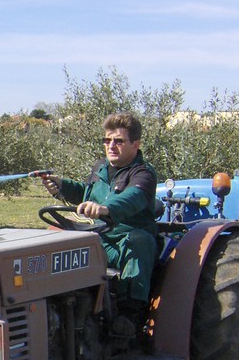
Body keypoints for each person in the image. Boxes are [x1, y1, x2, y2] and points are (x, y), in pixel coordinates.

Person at [41, 112, 158, 338]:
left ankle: (130, 316)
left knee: (138, 240)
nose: (111, 146)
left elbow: (132, 198)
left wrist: (106, 209)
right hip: (99, 238)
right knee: (55, 237)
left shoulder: (143, 174)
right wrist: (62, 186)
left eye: (118, 141)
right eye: (107, 140)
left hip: (125, 243)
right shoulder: (100, 168)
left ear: (136, 144)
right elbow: (86, 194)